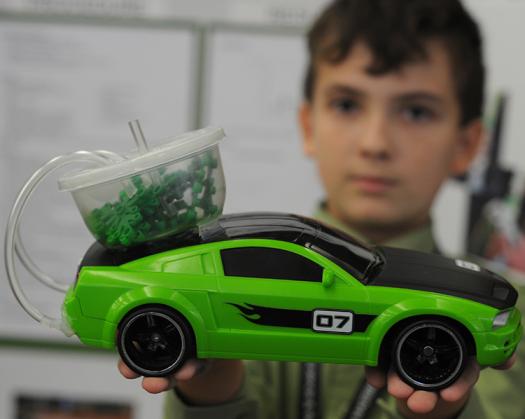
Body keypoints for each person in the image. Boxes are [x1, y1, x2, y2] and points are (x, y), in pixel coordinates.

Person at [118, 0, 525, 417]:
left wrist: (440, 410)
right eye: (347, 105)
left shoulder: (507, 307)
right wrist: (208, 383)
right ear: (308, 126)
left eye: (416, 111)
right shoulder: (236, 273)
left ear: (466, 145)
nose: (375, 143)